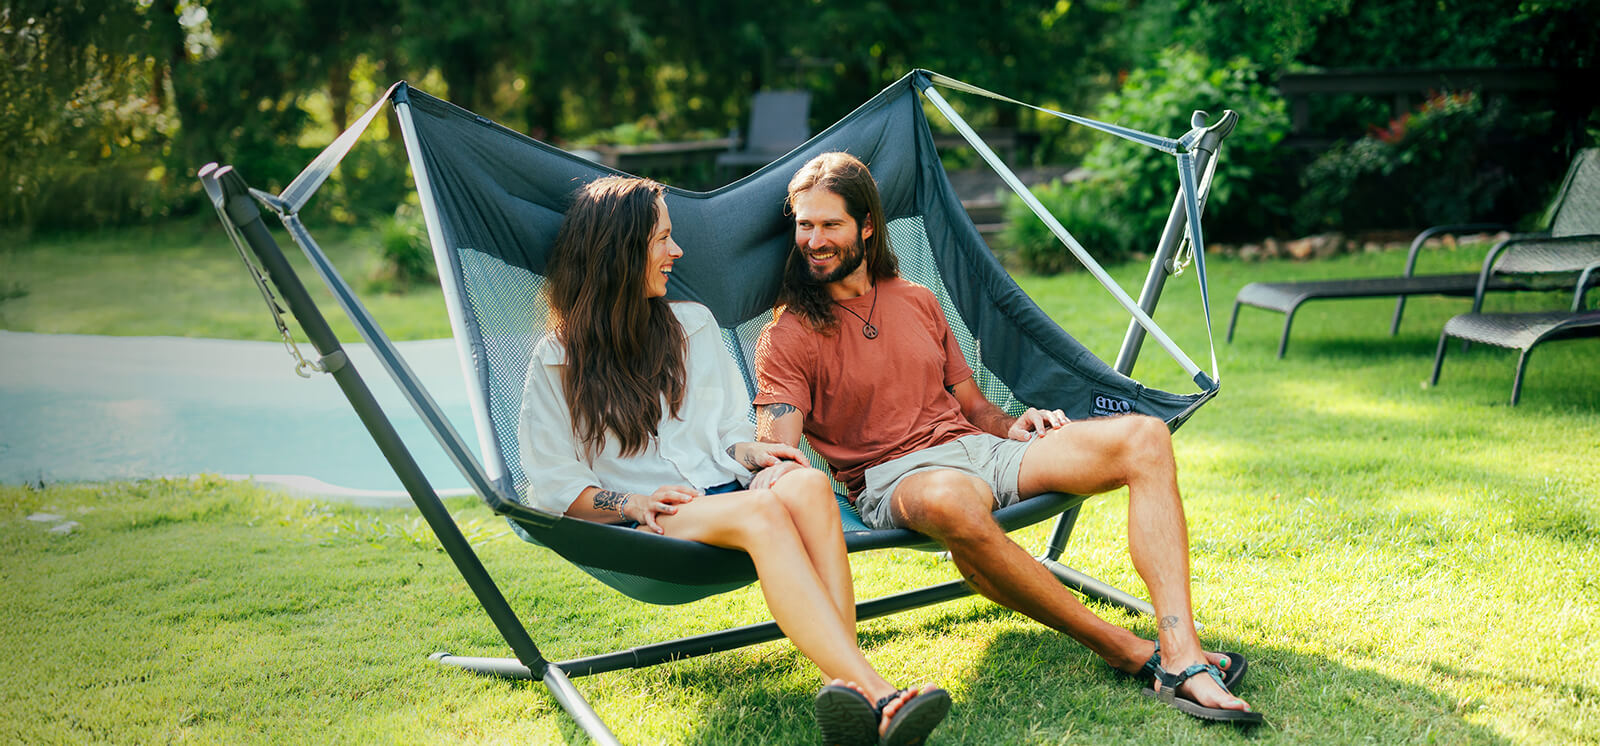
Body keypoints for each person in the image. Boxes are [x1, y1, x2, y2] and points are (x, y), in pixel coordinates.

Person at [752, 152, 1262, 725]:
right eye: (804, 225)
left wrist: (1014, 423)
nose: (813, 240)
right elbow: (781, 452)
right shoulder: (788, 334)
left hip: (982, 450)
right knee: (951, 501)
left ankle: (1182, 650)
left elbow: (971, 406)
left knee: (1144, 437)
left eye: (829, 225)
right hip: (896, 478)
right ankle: (1125, 649)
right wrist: (759, 458)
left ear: (866, 226)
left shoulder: (916, 300)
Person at [516, 175, 951, 745]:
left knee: (806, 484)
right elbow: (552, 486)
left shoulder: (691, 325)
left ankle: (842, 689)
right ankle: (878, 694)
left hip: (723, 491)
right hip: (650, 518)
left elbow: (724, 434)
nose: (676, 252)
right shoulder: (557, 359)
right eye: (662, 239)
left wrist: (751, 449)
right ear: (620, 251)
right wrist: (633, 502)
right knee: (762, 514)